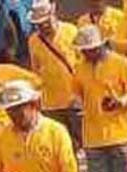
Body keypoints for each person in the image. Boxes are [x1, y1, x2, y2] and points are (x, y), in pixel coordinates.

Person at [72, 25, 127, 172]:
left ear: (100, 46)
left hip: (120, 135)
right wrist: (77, 103)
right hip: (93, 138)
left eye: (91, 49)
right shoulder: (80, 68)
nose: (87, 53)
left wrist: (121, 101)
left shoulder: (119, 62)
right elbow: (75, 93)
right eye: (84, 50)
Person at [27, 0, 81, 146]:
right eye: (39, 24)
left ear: (53, 14)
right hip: (51, 104)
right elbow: (36, 71)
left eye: (46, 21)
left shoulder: (71, 31)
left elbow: (83, 64)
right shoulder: (33, 41)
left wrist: (81, 94)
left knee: (83, 140)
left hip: (75, 99)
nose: (44, 26)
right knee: (62, 143)